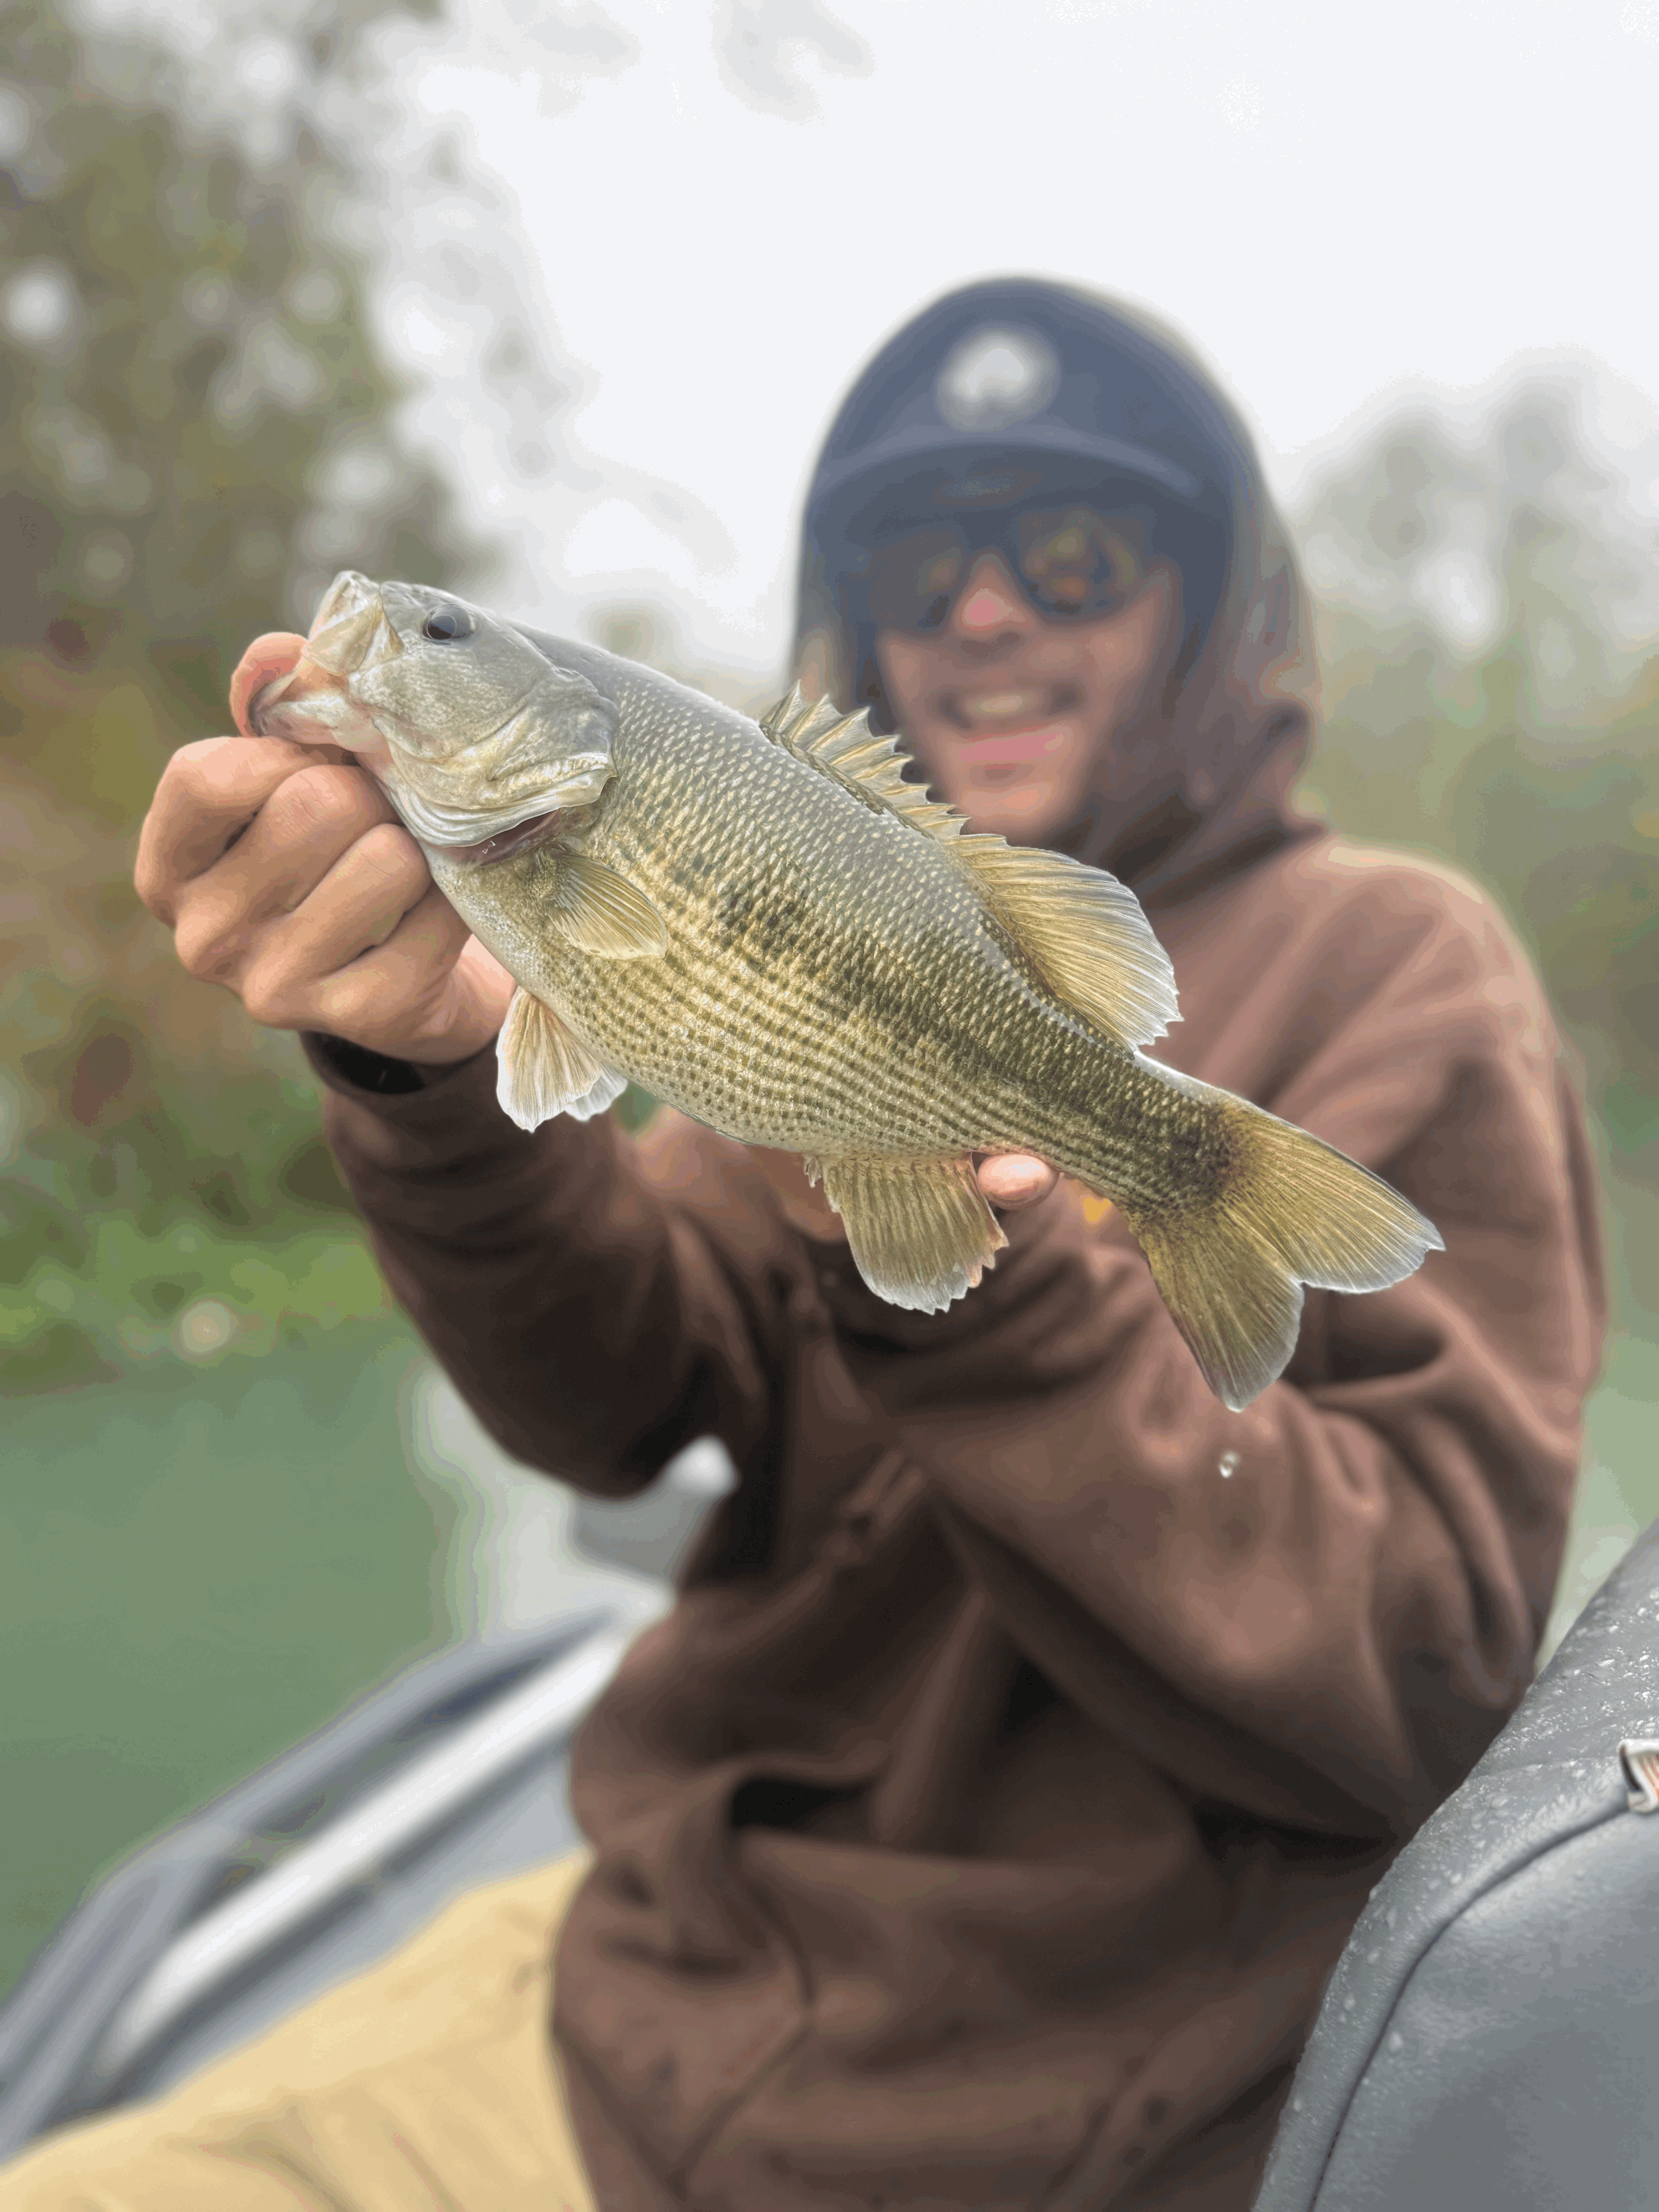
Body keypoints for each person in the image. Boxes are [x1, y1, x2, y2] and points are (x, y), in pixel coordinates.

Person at [2, 279, 1605, 2209]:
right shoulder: (739, 844)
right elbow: (618, 1394)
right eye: (919, 563)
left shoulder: (1401, 968)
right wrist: (419, 1085)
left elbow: (1413, 1689)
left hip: (1041, 2137)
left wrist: (988, 1277)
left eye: (1068, 553)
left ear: (1208, 602)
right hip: (632, 1987)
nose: (982, 613)